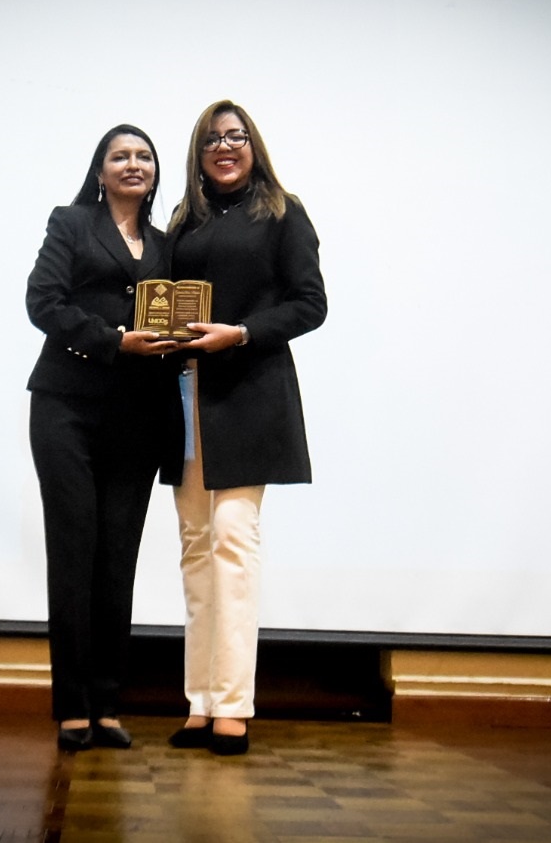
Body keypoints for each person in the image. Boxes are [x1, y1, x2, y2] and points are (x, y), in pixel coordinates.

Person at [162, 101, 327, 755]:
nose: (224, 147)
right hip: (185, 394)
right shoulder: (184, 219)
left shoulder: (283, 211)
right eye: (211, 139)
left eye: (235, 136)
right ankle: (199, 702)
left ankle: (232, 705)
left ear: (253, 145)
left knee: (232, 540)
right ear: (198, 153)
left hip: (249, 395)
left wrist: (241, 333)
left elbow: (310, 304)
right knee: (196, 547)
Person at [25, 124, 180, 752]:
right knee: (74, 555)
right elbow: (43, 302)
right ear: (100, 170)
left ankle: (107, 704)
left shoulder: (168, 244)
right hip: (66, 406)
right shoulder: (70, 223)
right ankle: (72, 707)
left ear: (155, 171)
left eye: (144, 156)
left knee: (118, 559)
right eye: (120, 156)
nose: (133, 164)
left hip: (138, 416)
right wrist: (114, 341)